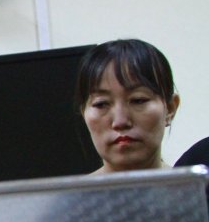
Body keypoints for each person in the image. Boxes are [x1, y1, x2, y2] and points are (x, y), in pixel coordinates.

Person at [75, 39, 180, 174]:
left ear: (170, 109)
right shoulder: (66, 190)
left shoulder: (198, 186)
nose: (120, 122)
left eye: (138, 100)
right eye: (101, 104)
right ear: (84, 113)